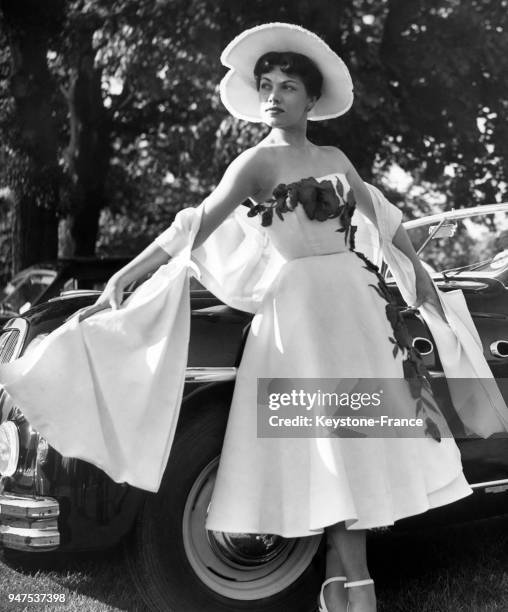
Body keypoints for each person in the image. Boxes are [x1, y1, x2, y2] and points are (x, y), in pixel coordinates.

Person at [2, 22, 506, 612]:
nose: (273, 95)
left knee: (358, 446)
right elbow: (195, 224)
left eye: (288, 86)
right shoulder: (255, 163)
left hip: (359, 313)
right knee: (324, 447)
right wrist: (126, 274)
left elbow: (385, 223)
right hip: (299, 320)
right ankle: (353, 593)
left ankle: (343, 591)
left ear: (311, 99)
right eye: (265, 84)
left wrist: (420, 282)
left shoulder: (335, 156)